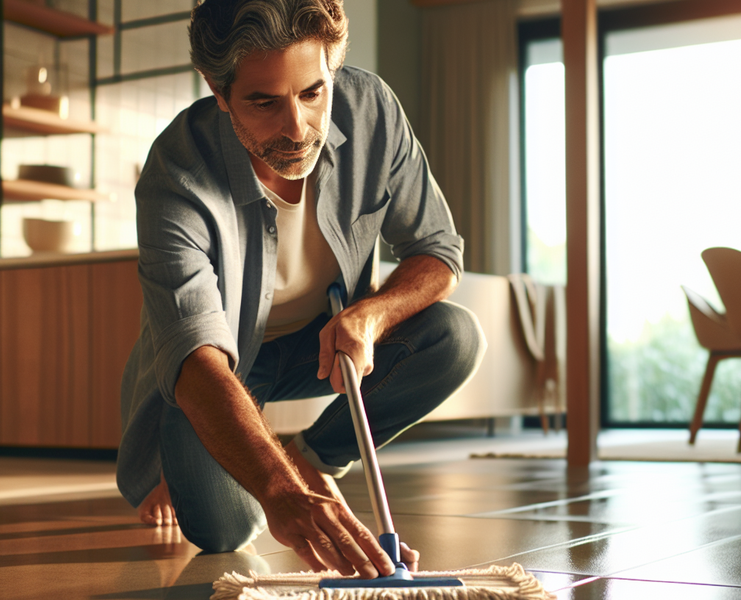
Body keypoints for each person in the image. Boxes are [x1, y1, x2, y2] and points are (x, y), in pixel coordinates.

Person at [117, 0, 486, 580]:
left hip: (323, 344)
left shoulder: (373, 111)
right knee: (225, 528)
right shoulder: (175, 171)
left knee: (456, 337)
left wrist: (370, 317)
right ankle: (196, 446)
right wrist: (278, 494)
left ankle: (316, 460)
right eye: (264, 102)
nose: (297, 128)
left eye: (313, 93)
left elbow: (439, 254)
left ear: (332, 71)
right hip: (218, 366)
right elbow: (195, 356)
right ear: (218, 88)